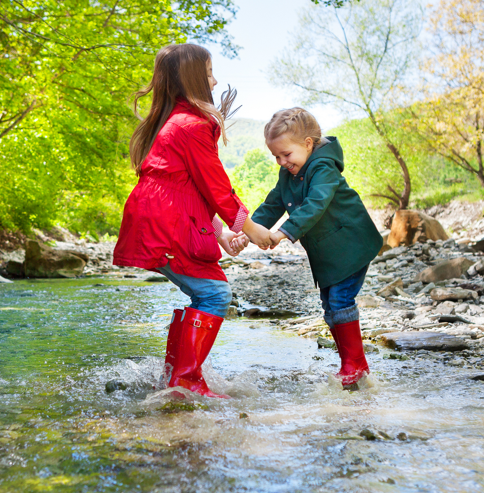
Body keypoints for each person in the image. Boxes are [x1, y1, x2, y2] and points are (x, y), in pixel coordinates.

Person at [113, 44, 273, 398]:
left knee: (205, 291)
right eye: (210, 72)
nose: (216, 81)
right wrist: (252, 229)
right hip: (165, 223)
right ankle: (183, 381)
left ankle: (174, 378)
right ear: (193, 78)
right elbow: (217, 188)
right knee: (214, 293)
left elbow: (191, 188)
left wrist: (219, 233)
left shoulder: (179, 123)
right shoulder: (191, 126)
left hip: (164, 217)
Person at [251, 108, 383, 387]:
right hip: (327, 251)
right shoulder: (288, 174)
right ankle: (352, 363)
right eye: (276, 156)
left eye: (286, 154)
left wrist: (283, 233)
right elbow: (274, 203)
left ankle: (355, 365)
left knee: (340, 300)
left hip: (351, 244)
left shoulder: (324, 168)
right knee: (329, 304)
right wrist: (248, 230)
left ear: (308, 144)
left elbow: (315, 204)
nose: (281, 161)